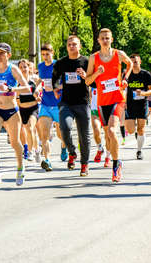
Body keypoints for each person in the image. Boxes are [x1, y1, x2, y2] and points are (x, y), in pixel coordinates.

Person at [85, 28, 133, 182]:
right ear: (98, 40)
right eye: (102, 38)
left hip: (117, 98)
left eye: (107, 38)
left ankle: (116, 164)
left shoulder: (118, 54)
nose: (105, 40)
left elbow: (130, 63)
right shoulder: (94, 58)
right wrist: (97, 73)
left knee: (112, 131)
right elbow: (87, 81)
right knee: (108, 136)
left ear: (112, 39)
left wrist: (125, 77)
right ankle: (112, 157)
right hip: (102, 102)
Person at [0, 43, 30, 185]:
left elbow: (27, 89)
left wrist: (11, 88)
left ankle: (20, 166)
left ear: (8, 55)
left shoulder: (14, 69)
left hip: (11, 111)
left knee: (14, 142)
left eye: (2, 53)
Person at [52, 35, 91, 176]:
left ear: (79, 46)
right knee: (65, 128)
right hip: (66, 102)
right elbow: (54, 78)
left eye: (74, 44)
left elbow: (93, 81)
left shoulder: (86, 61)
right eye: (69, 44)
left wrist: (85, 75)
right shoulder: (61, 62)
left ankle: (84, 164)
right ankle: (72, 152)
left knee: (84, 136)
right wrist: (56, 88)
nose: (72, 46)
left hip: (82, 102)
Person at [37, 43, 67, 171]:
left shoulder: (59, 65)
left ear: (52, 53)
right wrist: (37, 89)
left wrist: (56, 87)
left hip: (59, 104)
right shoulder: (40, 66)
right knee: (44, 134)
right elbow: (41, 80)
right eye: (43, 54)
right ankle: (47, 160)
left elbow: (68, 82)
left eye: (47, 54)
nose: (45, 57)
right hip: (45, 104)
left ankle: (64, 147)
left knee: (62, 134)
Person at [125, 54, 151, 159]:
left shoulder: (146, 74)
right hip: (130, 105)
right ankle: (137, 134)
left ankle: (139, 151)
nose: (134, 64)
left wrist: (142, 93)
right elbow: (122, 89)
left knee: (141, 128)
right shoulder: (126, 75)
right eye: (131, 63)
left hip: (142, 105)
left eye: (135, 62)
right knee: (131, 130)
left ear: (140, 62)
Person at [17, 59, 41, 162]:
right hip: (22, 109)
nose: (23, 69)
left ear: (28, 68)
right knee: (28, 131)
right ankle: (37, 149)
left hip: (33, 108)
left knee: (31, 128)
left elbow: (41, 83)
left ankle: (30, 151)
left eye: (25, 67)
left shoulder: (34, 79)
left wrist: (38, 94)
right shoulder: (17, 82)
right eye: (21, 67)